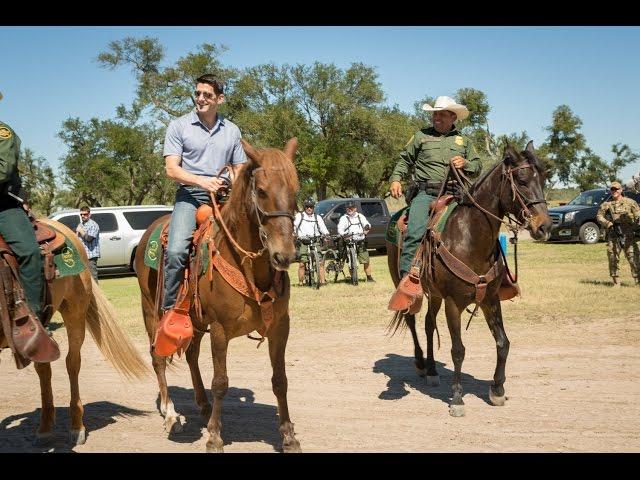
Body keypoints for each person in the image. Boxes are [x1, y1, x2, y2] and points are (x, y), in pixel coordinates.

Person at [160, 74, 247, 341]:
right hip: (190, 196)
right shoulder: (179, 126)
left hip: (223, 197)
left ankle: (261, 301)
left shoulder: (232, 130)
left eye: (207, 95)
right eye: (197, 93)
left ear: (220, 99)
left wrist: (225, 181)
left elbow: (239, 168)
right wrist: (202, 181)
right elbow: (171, 169)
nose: (200, 99)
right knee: (175, 251)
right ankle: (171, 310)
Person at [388, 96, 482, 278]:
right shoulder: (421, 136)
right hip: (426, 194)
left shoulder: (464, 141)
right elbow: (404, 160)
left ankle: (495, 276)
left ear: (453, 117)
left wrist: (466, 163)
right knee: (414, 232)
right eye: (435, 114)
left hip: (457, 194)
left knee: (482, 226)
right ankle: (406, 282)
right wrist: (396, 179)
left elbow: (477, 166)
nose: (436, 117)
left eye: (441, 114)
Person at [0, 91, 59, 362]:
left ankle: (33, 321)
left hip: (3, 205)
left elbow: (4, 169)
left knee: (28, 253)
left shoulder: (3, 132)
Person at [596, 181, 640, 287]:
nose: (614, 191)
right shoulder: (607, 204)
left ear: (621, 190)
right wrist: (608, 223)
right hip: (614, 235)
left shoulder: (630, 202)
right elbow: (599, 216)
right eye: (612, 189)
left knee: (634, 257)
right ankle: (616, 282)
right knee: (612, 257)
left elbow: (638, 215)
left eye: (616, 189)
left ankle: (638, 281)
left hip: (630, 235)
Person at [293, 198, 330, 286]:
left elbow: (323, 228)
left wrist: (326, 234)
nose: (309, 209)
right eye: (307, 207)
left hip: (315, 240)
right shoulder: (300, 216)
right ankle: (301, 282)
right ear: (304, 207)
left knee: (320, 262)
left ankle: (322, 281)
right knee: (302, 263)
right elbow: (294, 226)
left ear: (313, 207)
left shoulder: (317, 217)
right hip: (303, 241)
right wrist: (294, 234)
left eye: (311, 207)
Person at [337, 200, 374, 282]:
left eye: (351, 208)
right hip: (349, 241)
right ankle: (353, 277)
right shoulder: (344, 218)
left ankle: (369, 277)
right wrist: (344, 234)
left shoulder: (360, 216)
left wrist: (366, 228)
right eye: (348, 208)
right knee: (350, 261)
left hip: (360, 241)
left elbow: (367, 224)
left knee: (366, 260)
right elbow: (340, 229)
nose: (350, 209)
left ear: (355, 208)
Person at [76, 205, 100, 282]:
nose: (83, 216)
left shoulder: (93, 225)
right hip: (82, 255)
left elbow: (89, 239)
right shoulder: (81, 224)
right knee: (85, 279)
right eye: (81, 214)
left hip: (91, 256)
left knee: (93, 278)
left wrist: (81, 231)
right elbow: (77, 238)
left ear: (89, 214)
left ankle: (96, 294)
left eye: (85, 214)